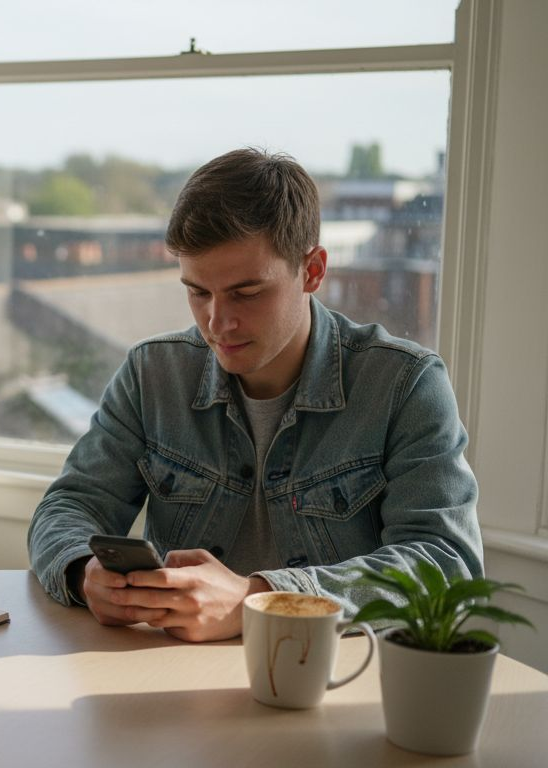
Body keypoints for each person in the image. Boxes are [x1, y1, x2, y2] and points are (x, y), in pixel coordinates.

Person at [27, 147, 481, 643]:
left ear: (313, 270)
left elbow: (445, 562)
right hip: (169, 674)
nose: (217, 323)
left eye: (246, 293)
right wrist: (84, 571)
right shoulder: (151, 373)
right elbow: (68, 507)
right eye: (198, 292)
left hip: (334, 677)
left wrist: (259, 600)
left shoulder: (405, 384)